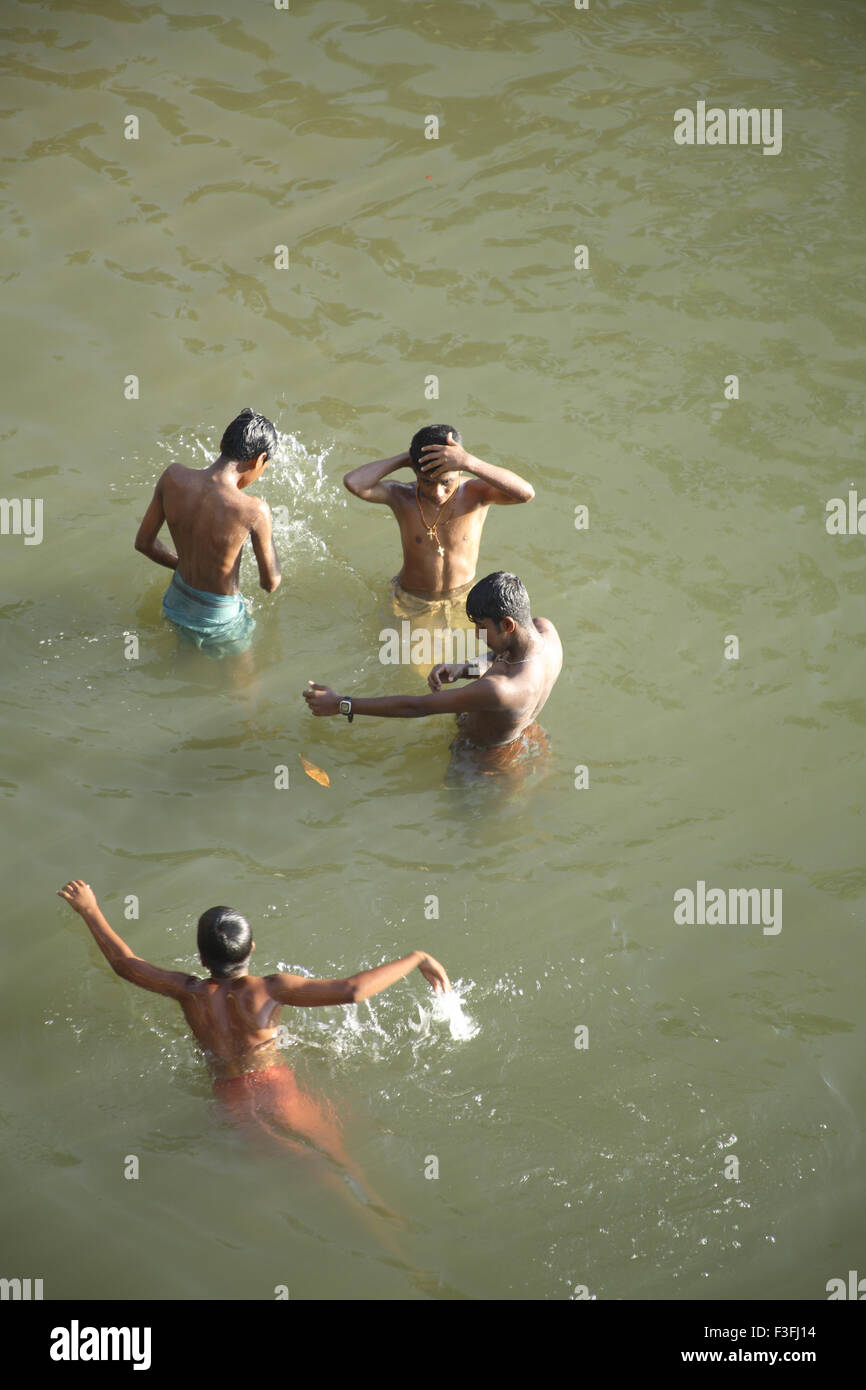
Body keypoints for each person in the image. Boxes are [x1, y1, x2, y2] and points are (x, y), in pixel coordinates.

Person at [56, 881, 450, 1183]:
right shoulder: (269, 989)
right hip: (276, 1088)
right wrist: (417, 957)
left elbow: (126, 964)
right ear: (252, 949)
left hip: (226, 1101)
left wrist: (89, 910)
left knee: (297, 1176)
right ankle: (389, 1234)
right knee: (342, 1173)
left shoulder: (188, 992)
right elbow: (353, 991)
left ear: (200, 958)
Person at [303, 572, 561, 779]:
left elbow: (417, 706)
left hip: (482, 761)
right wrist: (464, 668)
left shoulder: (501, 689)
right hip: (526, 732)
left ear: (507, 624)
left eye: (481, 628)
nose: (476, 635)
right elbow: (503, 656)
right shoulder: (546, 632)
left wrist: (342, 704)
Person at [343, 427, 534, 648]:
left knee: (476, 664)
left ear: (460, 471)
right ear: (415, 472)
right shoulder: (402, 496)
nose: (437, 492)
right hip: (414, 601)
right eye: (426, 481)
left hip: (465, 599)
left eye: (446, 482)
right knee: (421, 670)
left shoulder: (476, 494)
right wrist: (408, 457)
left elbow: (525, 493)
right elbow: (354, 483)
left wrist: (469, 461)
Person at [134, 408, 281, 656]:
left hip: (175, 602)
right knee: (244, 691)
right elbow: (270, 583)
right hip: (219, 620)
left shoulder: (173, 477)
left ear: (222, 443)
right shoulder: (255, 510)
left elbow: (144, 543)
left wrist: (184, 565)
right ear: (259, 460)